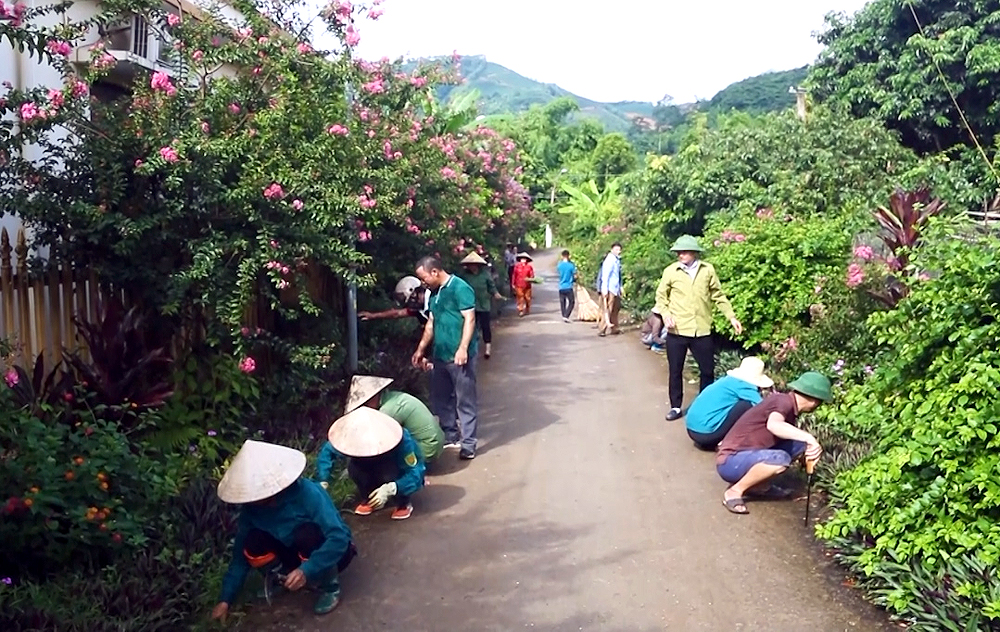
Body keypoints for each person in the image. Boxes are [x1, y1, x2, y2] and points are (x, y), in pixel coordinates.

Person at [212, 440, 356, 621]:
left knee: (306, 534)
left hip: (332, 553)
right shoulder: (251, 511)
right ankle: (280, 579)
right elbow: (240, 557)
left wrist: (307, 569)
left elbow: (339, 537)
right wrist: (225, 600)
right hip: (293, 554)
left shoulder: (308, 493)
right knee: (253, 540)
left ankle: (329, 586)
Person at [716, 371, 832, 515]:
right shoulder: (782, 402)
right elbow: (774, 425)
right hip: (730, 461)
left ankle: (758, 485)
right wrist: (809, 437)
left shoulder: (787, 404)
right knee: (780, 459)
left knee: (800, 444)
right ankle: (735, 491)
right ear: (815, 400)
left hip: (745, 455)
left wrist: (808, 449)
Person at [656, 235, 743, 421]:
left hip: (701, 330)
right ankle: (676, 407)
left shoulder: (707, 270)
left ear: (694, 253)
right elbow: (661, 298)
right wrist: (666, 315)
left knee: (707, 370)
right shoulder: (671, 271)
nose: (681, 255)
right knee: (675, 370)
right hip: (677, 331)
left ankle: (704, 406)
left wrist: (731, 317)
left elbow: (718, 295)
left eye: (685, 252)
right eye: (678, 252)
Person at [411, 255, 479, 460]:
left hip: (460, 357)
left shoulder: (460, 288)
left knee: (464, 401)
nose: (422, 283)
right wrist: (420, 349)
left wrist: (463, 348)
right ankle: (451, 436)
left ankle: (468, 444)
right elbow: (431, 324)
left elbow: (470, 318)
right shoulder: (433, 294)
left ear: (435, 272)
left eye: (424, 278)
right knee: (441, 399)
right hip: (440, 356)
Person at [317, 406, 426, 520]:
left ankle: (402, 501)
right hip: (367, 464)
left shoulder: (401, 439)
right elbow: (328, 451)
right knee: (354, 468)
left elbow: (416, 473)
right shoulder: (351, 437)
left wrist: (392, 488)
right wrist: (323, 479)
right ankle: (369, 497)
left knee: (389, 472)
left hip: (393, 466)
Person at [342, 374, 445, 463]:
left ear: (373, 397)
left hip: (429, 448)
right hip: (435, 441)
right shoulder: (392, 397)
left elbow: (378, 441)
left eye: (365, 403)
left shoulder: (388, 410)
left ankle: (415, 471)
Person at [685, 357, 773, 450]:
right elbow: (763, 407)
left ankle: (717, 439)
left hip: (691, 429)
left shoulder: (726, 381)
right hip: (705, 434)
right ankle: (730, 441)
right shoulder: (744, 385)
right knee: (746, 405)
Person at [458, 251, 504, 359]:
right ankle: (472, 348)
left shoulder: (485, 274)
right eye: (470, 265)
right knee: (471, 326)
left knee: (485, 327)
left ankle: (487, 349)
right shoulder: (464, 276)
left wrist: (496, 293)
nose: (472, 267)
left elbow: (491, 286)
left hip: (483, 304)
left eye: (474, 265)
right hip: (470, 305)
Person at [358, 276, 430, 326]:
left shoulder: (434, 299)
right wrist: (372, 316)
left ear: (413, 293)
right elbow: (396, 313)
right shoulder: (419, 310)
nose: (408, 304)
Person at [598, 243, 623, 336]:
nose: (618, 251)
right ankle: (602, 328)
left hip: (615, 288)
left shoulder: (617, 260)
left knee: (615, 309)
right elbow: (605, 276)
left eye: (619, 250)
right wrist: (604, 290)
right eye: (616, 249)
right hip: (610, 289)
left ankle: (614, 328)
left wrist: (620, 287)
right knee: (608, 309)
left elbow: (618, 276)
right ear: (612, 249)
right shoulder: (609, 260)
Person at [511, 252, 535, 317]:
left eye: (524, 259)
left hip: (527, 285)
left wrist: (530, 279)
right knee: (520, 297)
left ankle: (527, 309)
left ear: (527, 260)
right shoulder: (517, 267)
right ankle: (521, 310)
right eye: (522, 259)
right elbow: (514, 275)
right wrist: (513, 283)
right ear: (520, 260)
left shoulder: (529, 267)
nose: (523, 260)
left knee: (527, 298)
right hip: (518, 284)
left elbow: (532, 275)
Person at [556, 249, 578, 322]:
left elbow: (559, 272)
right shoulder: (571, 265)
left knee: (563, 302)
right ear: (568, 256)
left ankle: (563, 315)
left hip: (561, 286)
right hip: (569, 286)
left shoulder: (559, 265)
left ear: (562, 256)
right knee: (571, 302)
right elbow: (575, 275)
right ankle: (566, 315)